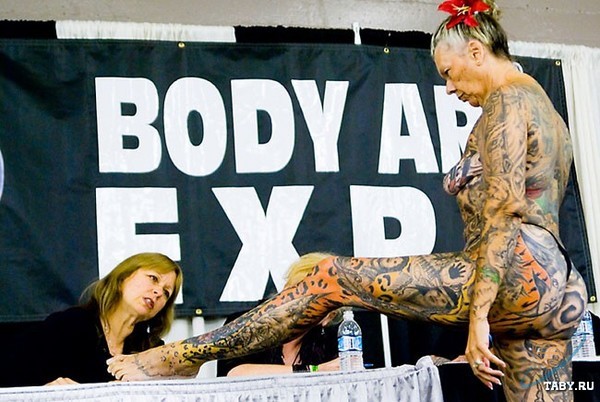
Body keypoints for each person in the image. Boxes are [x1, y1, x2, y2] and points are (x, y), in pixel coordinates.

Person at [108, 1, 587, 400]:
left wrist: (478, 318)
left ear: (477, 52)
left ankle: (178, 356)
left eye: (449, 72)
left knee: (328, 277)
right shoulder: (543, 108)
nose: (448, 87)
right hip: (558, 290)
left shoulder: (506, 100)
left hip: (515, 274)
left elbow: (505, 210)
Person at [1, 252, 182, 386]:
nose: (158, 292)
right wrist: (45, 390)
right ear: (122, 278)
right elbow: (12, 376)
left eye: (166, 293)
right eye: (153, 278)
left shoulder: (151, 350)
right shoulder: (69, 325)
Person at [222, 253, 341, 377]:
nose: (299, 305)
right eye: (295, 293)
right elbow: (235, 373)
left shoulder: (333, 338)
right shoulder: (246, 323)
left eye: (314, 301)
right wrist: (314, 370)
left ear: (328, 317)